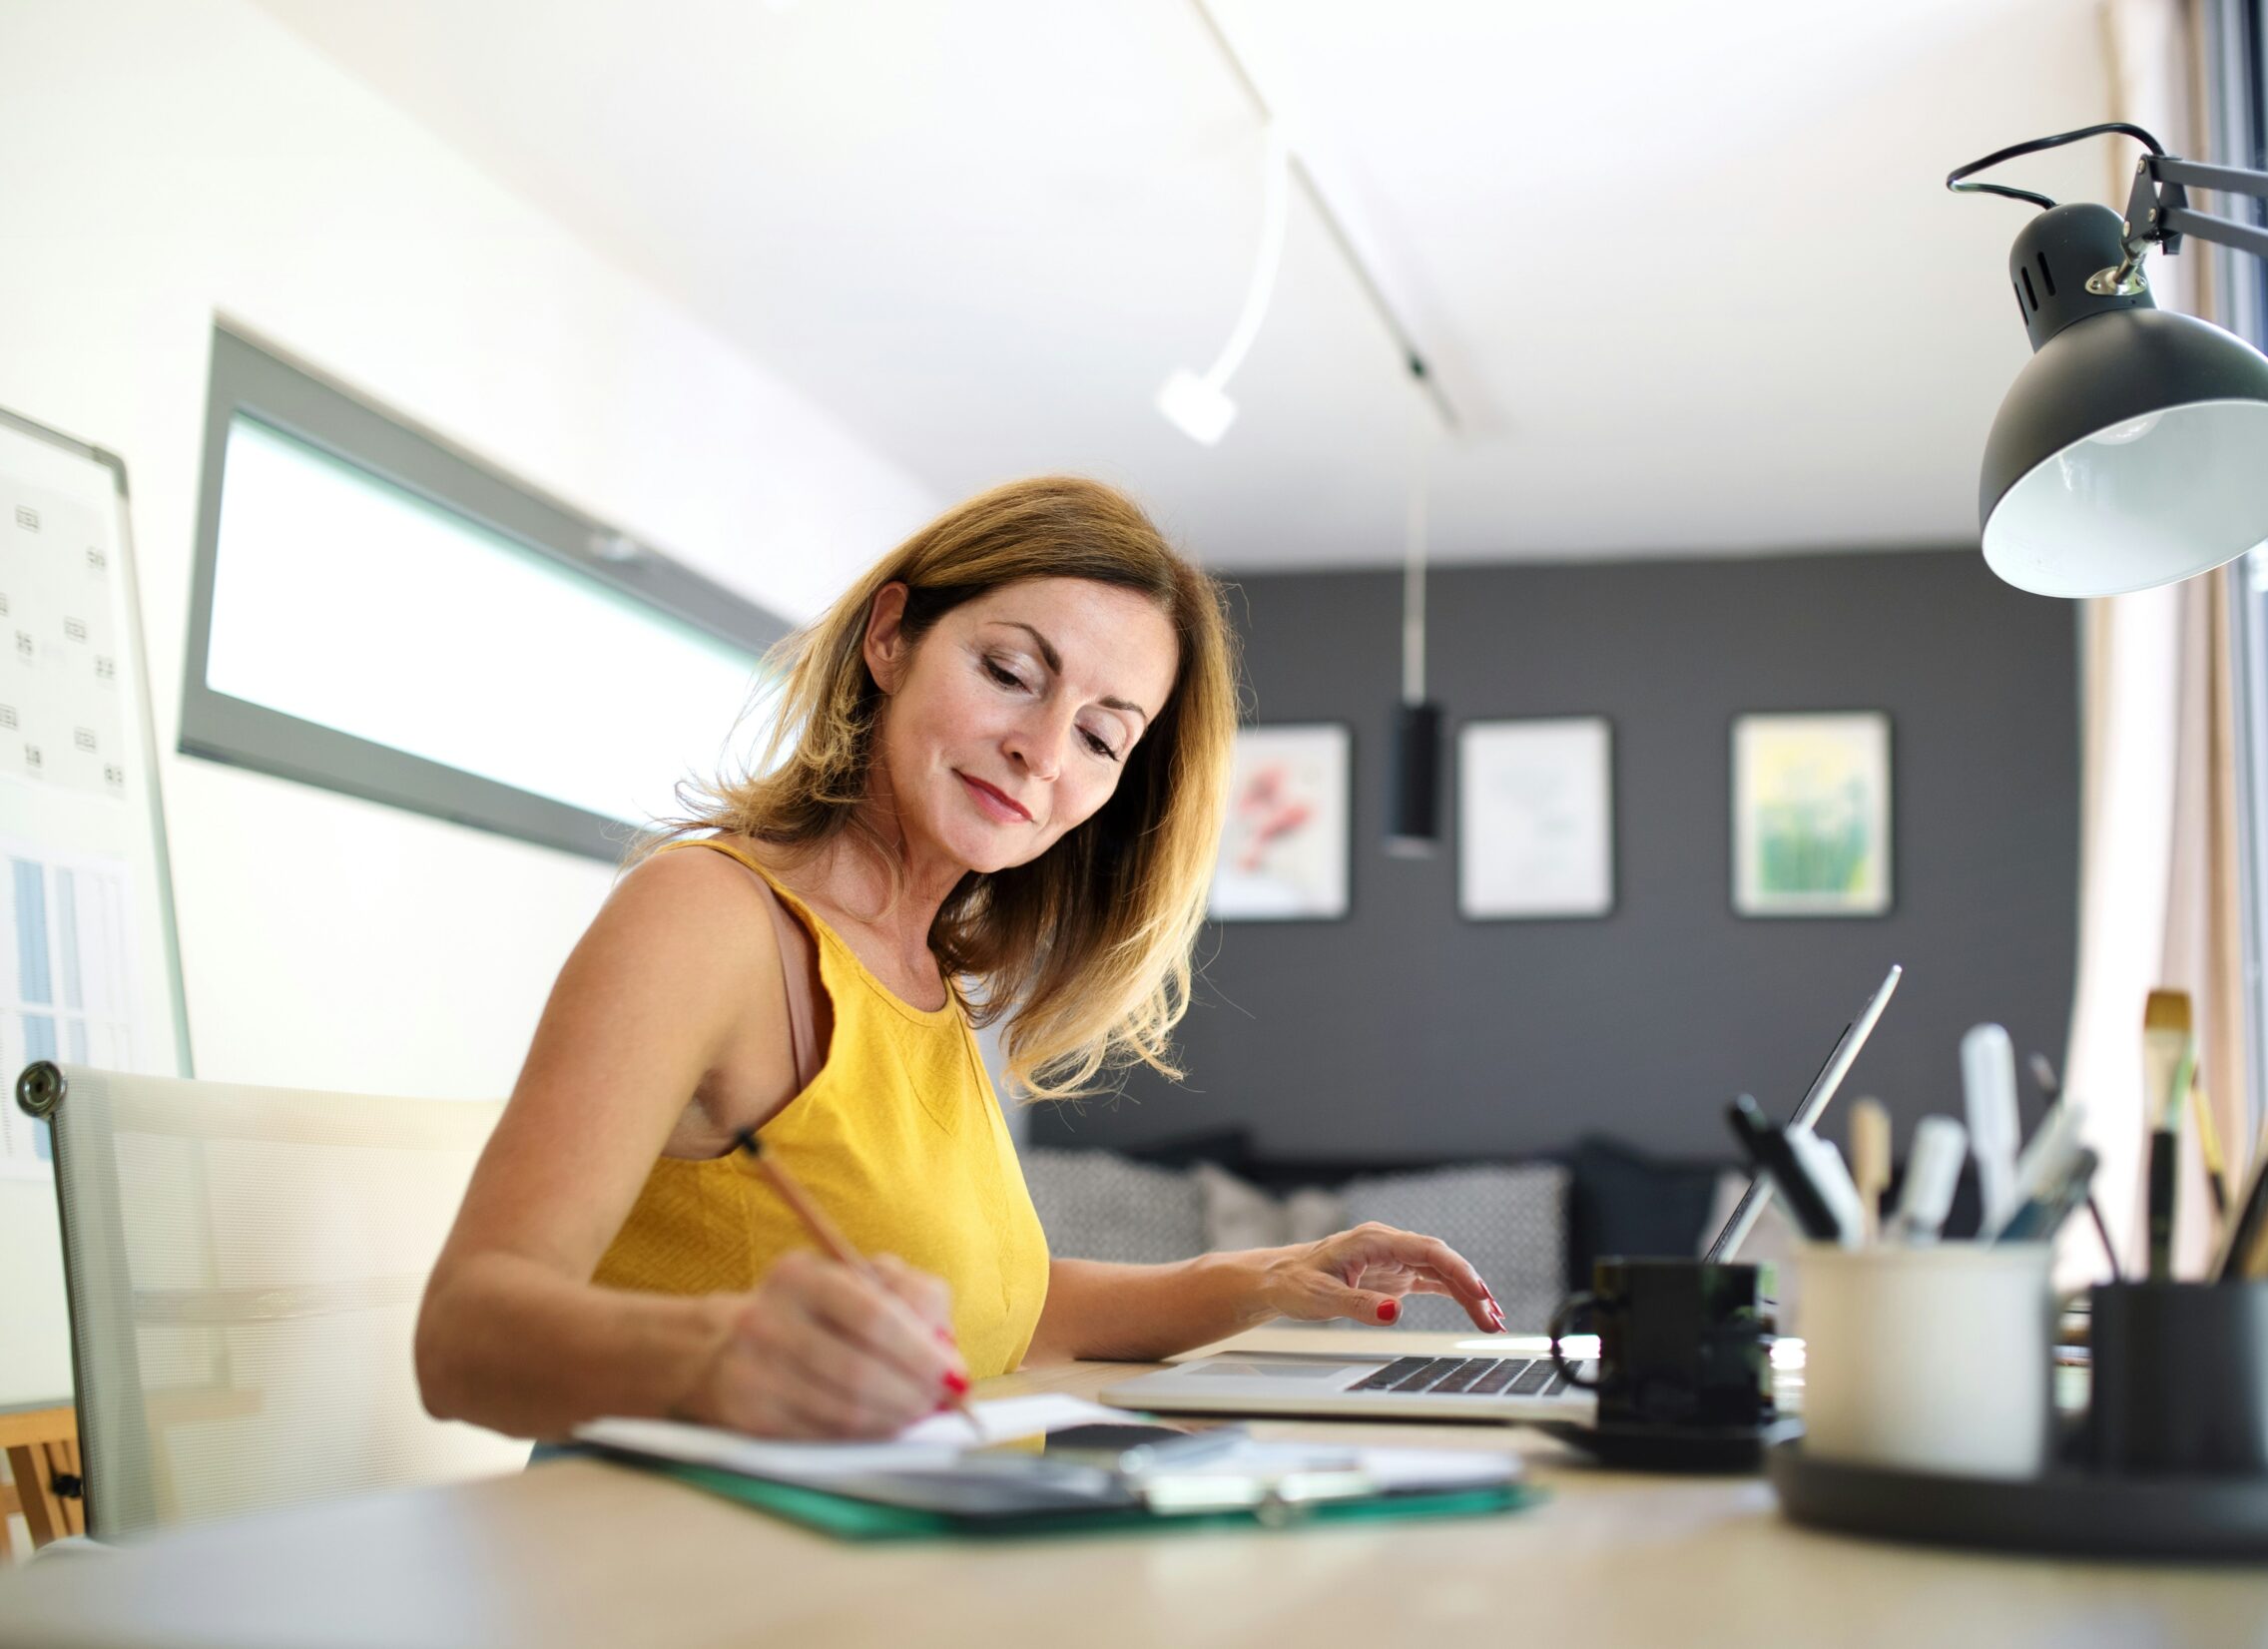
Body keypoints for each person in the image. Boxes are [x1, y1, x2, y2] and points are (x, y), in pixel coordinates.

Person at [415, 477, 1505, 1442]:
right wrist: (716, 1355)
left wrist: (1269, 1274)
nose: (1042, 747)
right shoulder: (708, 915)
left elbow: (1000, 1310)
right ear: (890, 636)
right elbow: (464, 1335)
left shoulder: (931, 982)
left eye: (1100, 734)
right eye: (1011, 669)